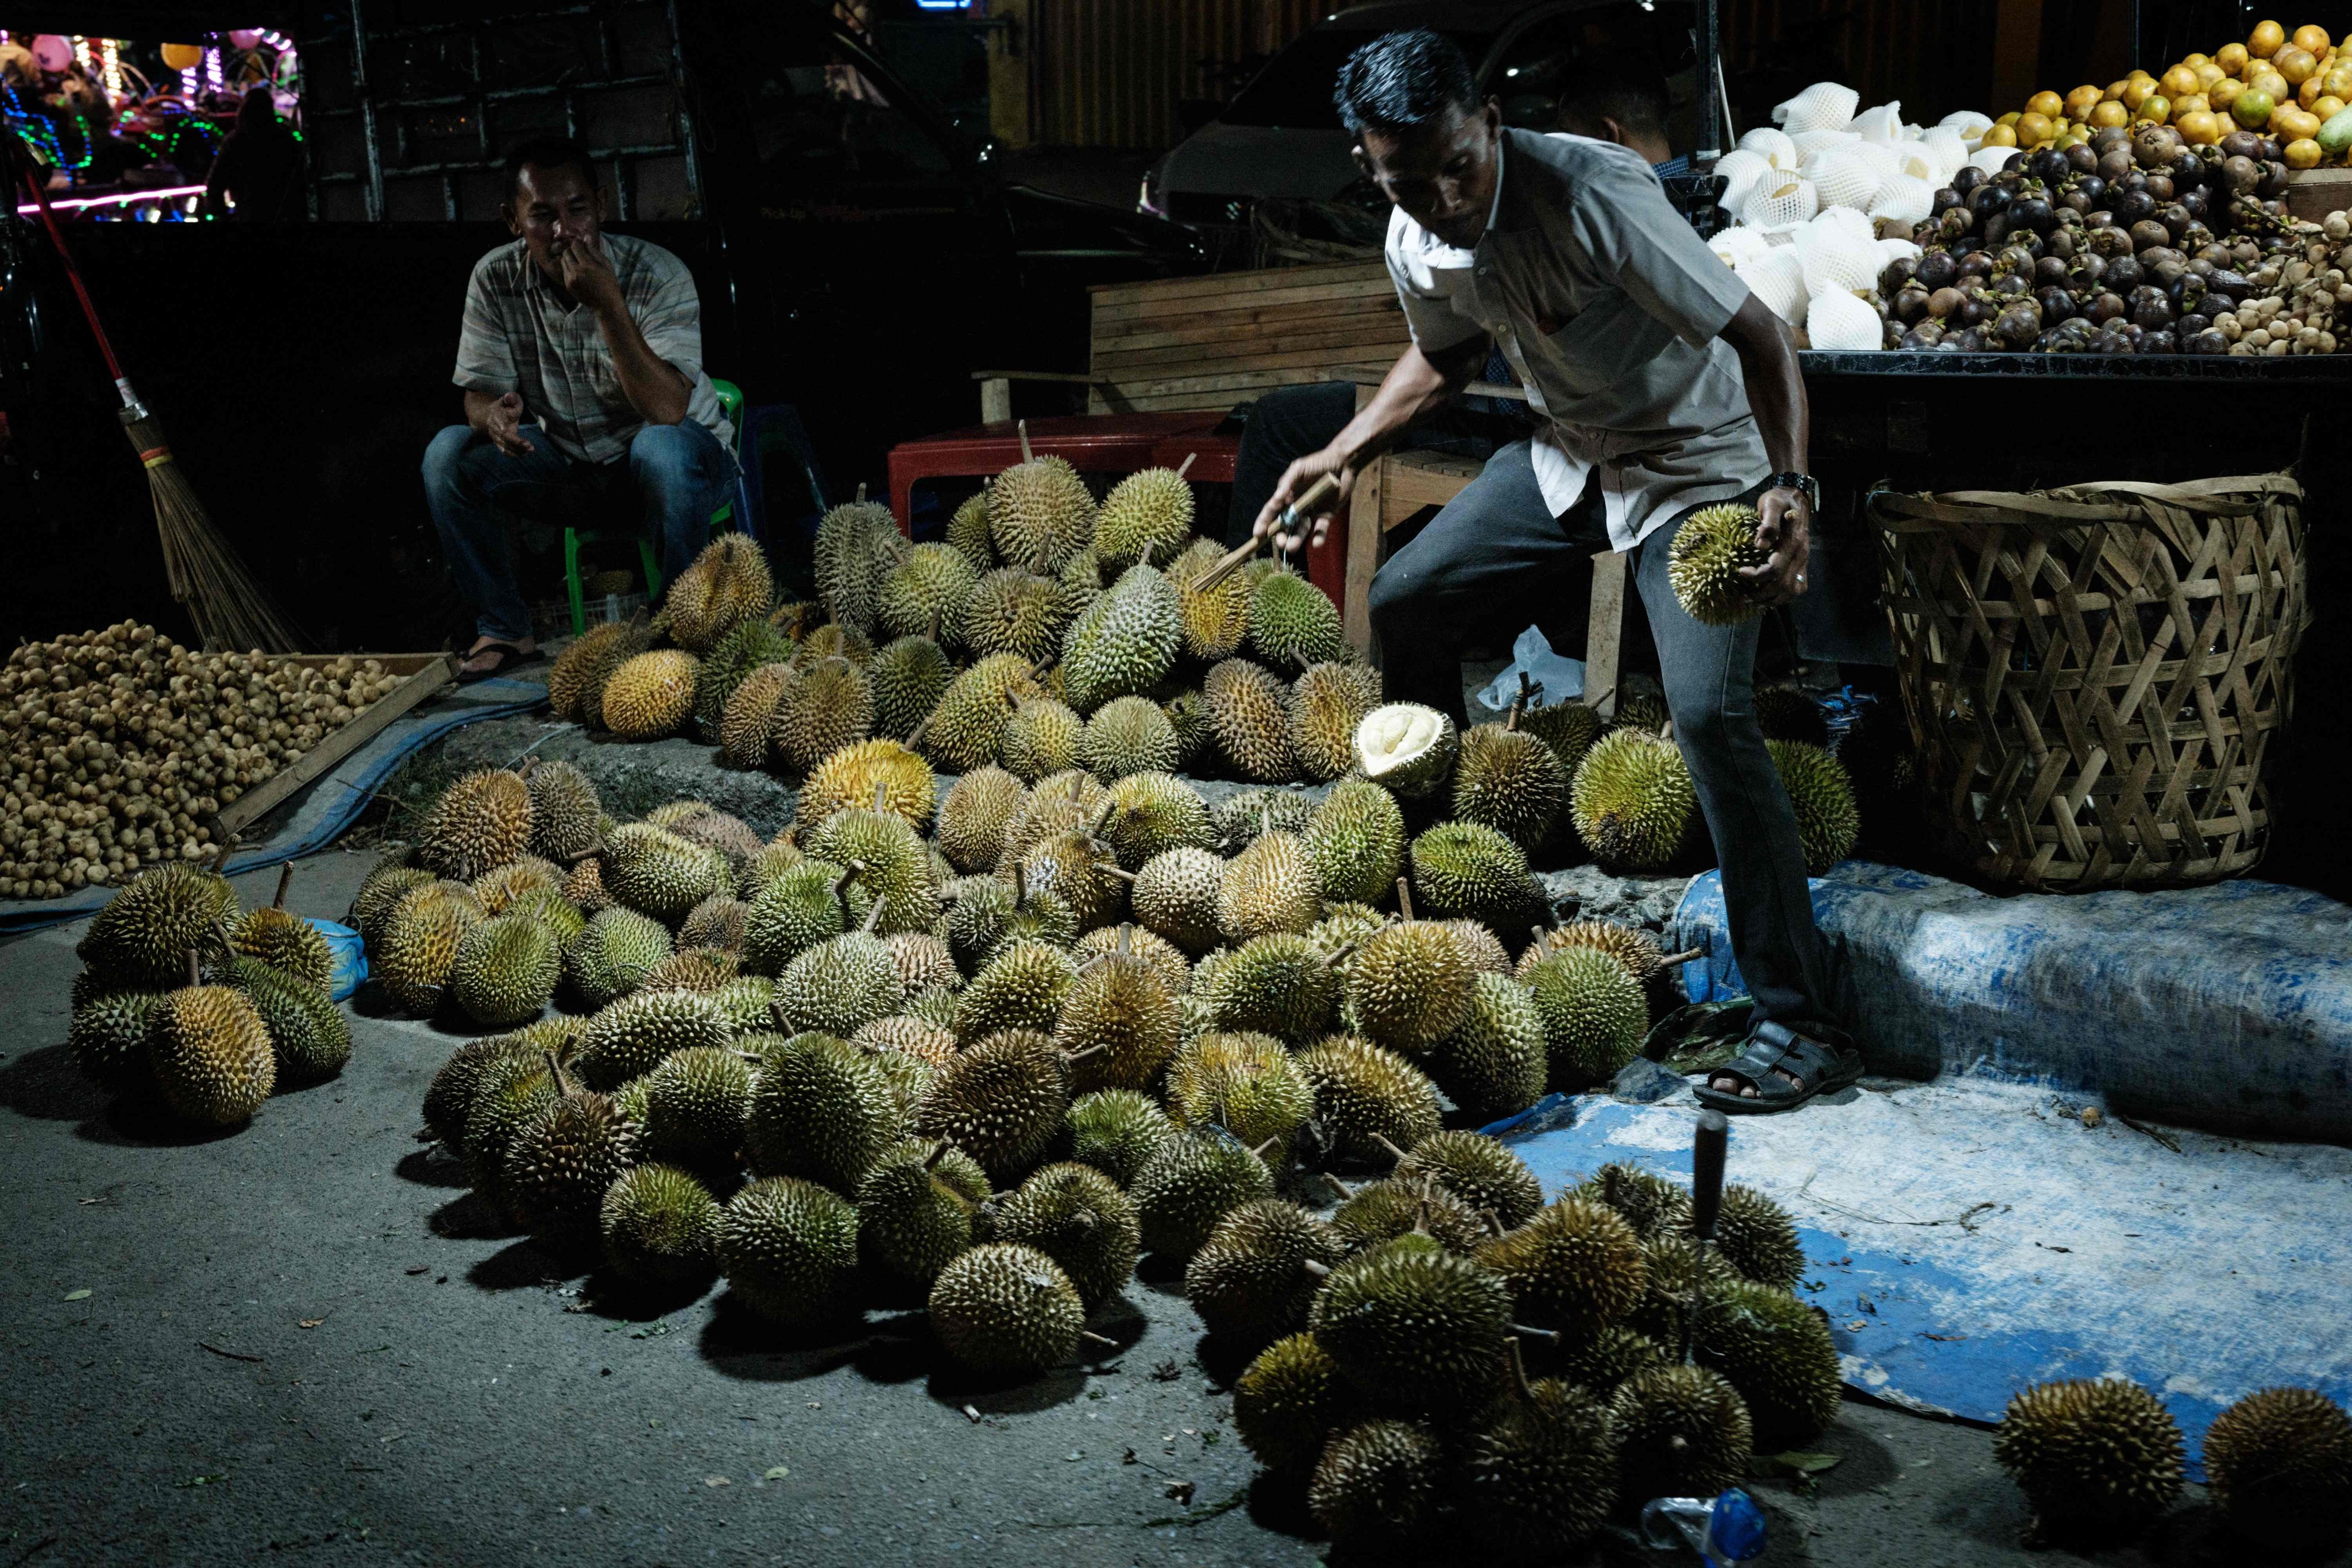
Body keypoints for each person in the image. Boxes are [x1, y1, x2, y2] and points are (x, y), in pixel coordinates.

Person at [1256, 30, 1853, 1114]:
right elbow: (1445, 356)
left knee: (1710, 718)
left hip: (1697, 466)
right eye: (1410, 179)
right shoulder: (1414, 235)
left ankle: (1798, 1020)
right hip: (1571, 457)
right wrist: (1343, 456)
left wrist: (1790, 487)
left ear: (1489, 120)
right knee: (1408, 601)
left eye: (1460, 165)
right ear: (1367, 164)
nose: (1444, 196)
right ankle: (1447, 905)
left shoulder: (1594, 195)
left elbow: (1765, 340)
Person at [1221, 61, 1688, 545]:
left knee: (1279, 421)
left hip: (1513, 418)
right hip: (1499, 398)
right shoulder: (1683, 203)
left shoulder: (1603, 209)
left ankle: (1251, 602)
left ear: (1606, 135)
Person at [423, 137, 736, 680]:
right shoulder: (494, 279)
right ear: (512, 221)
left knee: (658, 447)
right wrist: (491, 417)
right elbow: (477, 392)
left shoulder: (657, 273)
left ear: (603, 206)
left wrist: (606, 302)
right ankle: (504, 628)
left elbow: (666, 409)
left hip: (680, 467)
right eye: (542, 216)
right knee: (446, 454)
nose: (565, 231)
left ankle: (677, 635)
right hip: (572, 470)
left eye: (578, 210)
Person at [203, 88, 302, 219]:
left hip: (247, 213)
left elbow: (215, 184)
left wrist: (221, 214)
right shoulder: (284, 139)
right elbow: (300, 177)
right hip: (281, 212)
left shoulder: (234, 142)